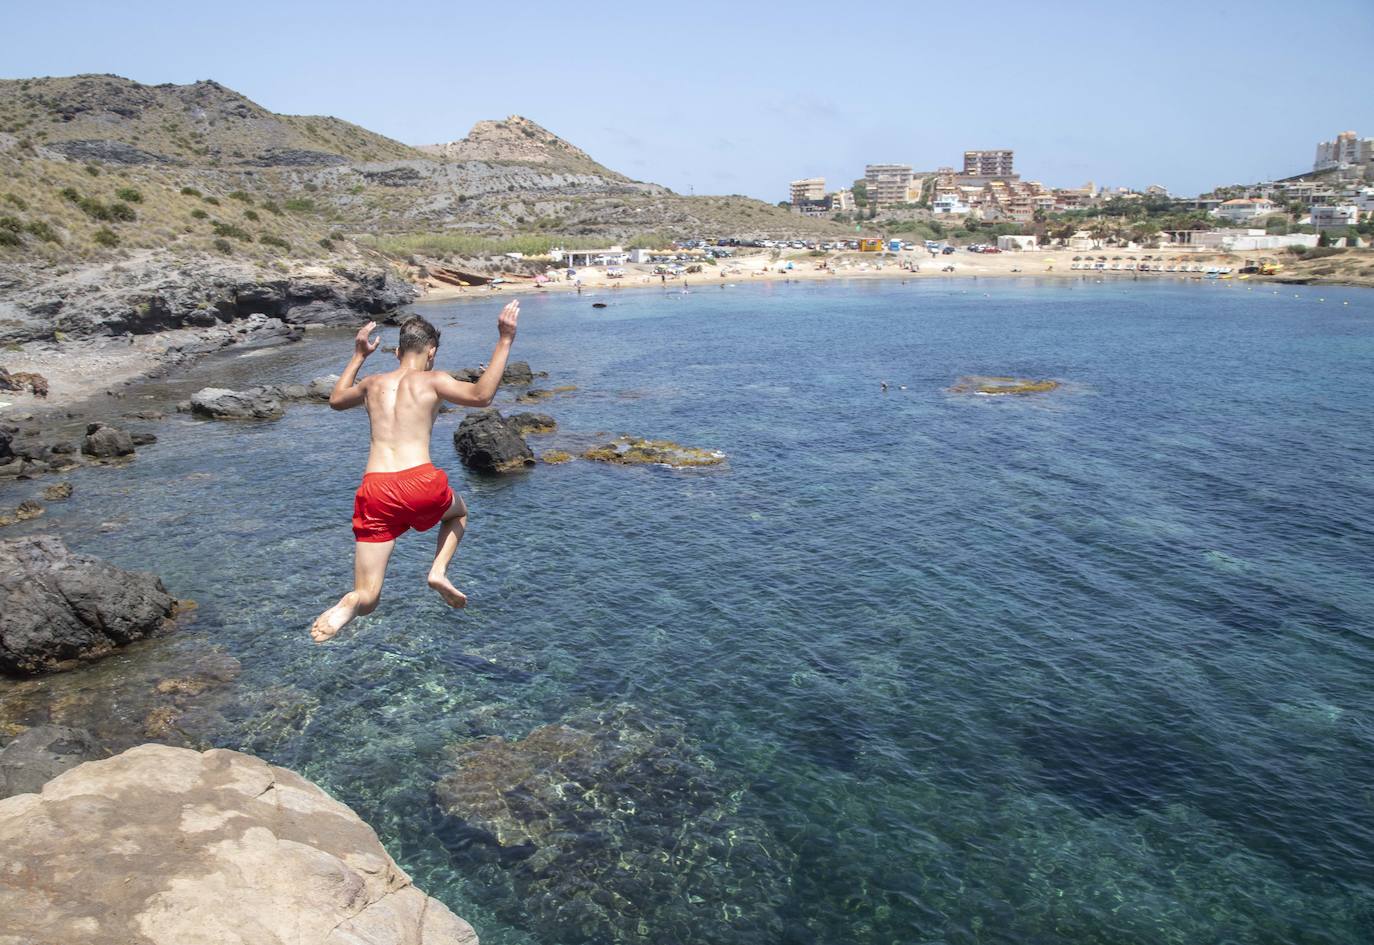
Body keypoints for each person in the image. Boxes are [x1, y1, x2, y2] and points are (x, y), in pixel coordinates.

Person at [308, 302, 520, 643]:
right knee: (459, 512)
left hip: (375, 489)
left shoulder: (372, 384)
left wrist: (359, 355)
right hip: (419, 481)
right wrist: (505, 339)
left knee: (369, 595)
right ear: (431, 351)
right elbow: (482, 395)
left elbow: (335, 399)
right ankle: (437, 572)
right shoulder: (433, 380)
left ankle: (351, 603)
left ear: (396, 352)